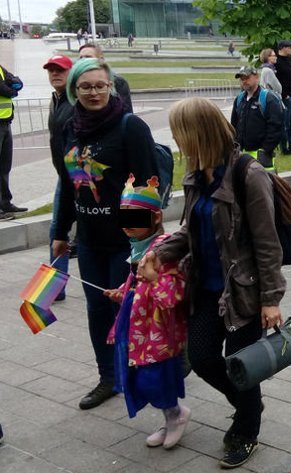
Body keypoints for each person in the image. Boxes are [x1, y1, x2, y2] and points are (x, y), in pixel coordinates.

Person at [139, 97, 286, 469]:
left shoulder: (247, 174)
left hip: (243, 290)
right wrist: (161, 252)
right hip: (206, 288)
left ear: (198, 132)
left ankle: (246, 428)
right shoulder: (195, 173)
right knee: (203, 357)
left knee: (240, 363)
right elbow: (189, 228)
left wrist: (271, 299)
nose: (176, 141)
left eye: (179, 134)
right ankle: (247, 402)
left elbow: (268, 244)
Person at [51, 58, 158, 410]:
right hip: (90, 242)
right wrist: (61, 231)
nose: (94, 92)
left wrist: (144, 245)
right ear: (74, 90)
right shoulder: (69, 128)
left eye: (100, 85)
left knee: (127, 310)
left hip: (125, 242)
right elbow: (68, 185)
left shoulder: (130, 127)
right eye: (86, 87)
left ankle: (145, 370)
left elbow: (147, 185)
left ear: (110, 87)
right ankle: (108, 378)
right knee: (97, 310)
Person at [105, 175, 189, 449]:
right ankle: (170, 417)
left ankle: (176, 415)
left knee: (156, 378)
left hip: (159, 331)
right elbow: (137, 283)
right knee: (143, 377)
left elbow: (172, 297)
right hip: (140, 327)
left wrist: (153, 279)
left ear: (155, 218)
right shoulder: (137, 248)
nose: (128, 225)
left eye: (136, 218)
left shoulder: (163, 249)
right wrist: (123, 291)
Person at [44, 54, 74, 300]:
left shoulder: (74, 102)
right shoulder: (56, 99)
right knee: (59, 231)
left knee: (58, 230)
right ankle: (56, 290)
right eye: (51, 70)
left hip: (78, 178)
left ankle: (53, 290)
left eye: (60, 70)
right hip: (64, 176)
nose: (55, 74)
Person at [231, 66, 283, 172]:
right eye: (242, 79)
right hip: (242, 156)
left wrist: (266, 149)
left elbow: (276, 127)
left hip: (263, 157)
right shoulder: (239, 99)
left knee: (266, 186)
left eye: (247, 77)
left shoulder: (268, 98)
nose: (244, 81)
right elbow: (233, 126)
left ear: (256, 77)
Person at [0, 62, 25, 220]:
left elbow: (18, 82)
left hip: (5, 122)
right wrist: (11, 88)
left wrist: (12, 86)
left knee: (4, 167)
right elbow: (5, 90)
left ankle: (5, 202)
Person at [79, 43, 133, 113]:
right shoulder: (76, 81)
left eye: (88, 57)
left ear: (101, 59)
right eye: (81, 58)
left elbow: (126, 111)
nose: (83, 61)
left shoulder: (118, 82)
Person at [275, 40, 291, 154]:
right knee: (285, 124)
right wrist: (284, 95)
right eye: (289, 47)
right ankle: (284, 148)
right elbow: (277, 81)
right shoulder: (277, 62)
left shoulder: (289, 59)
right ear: (282, 48)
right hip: (286, 97)